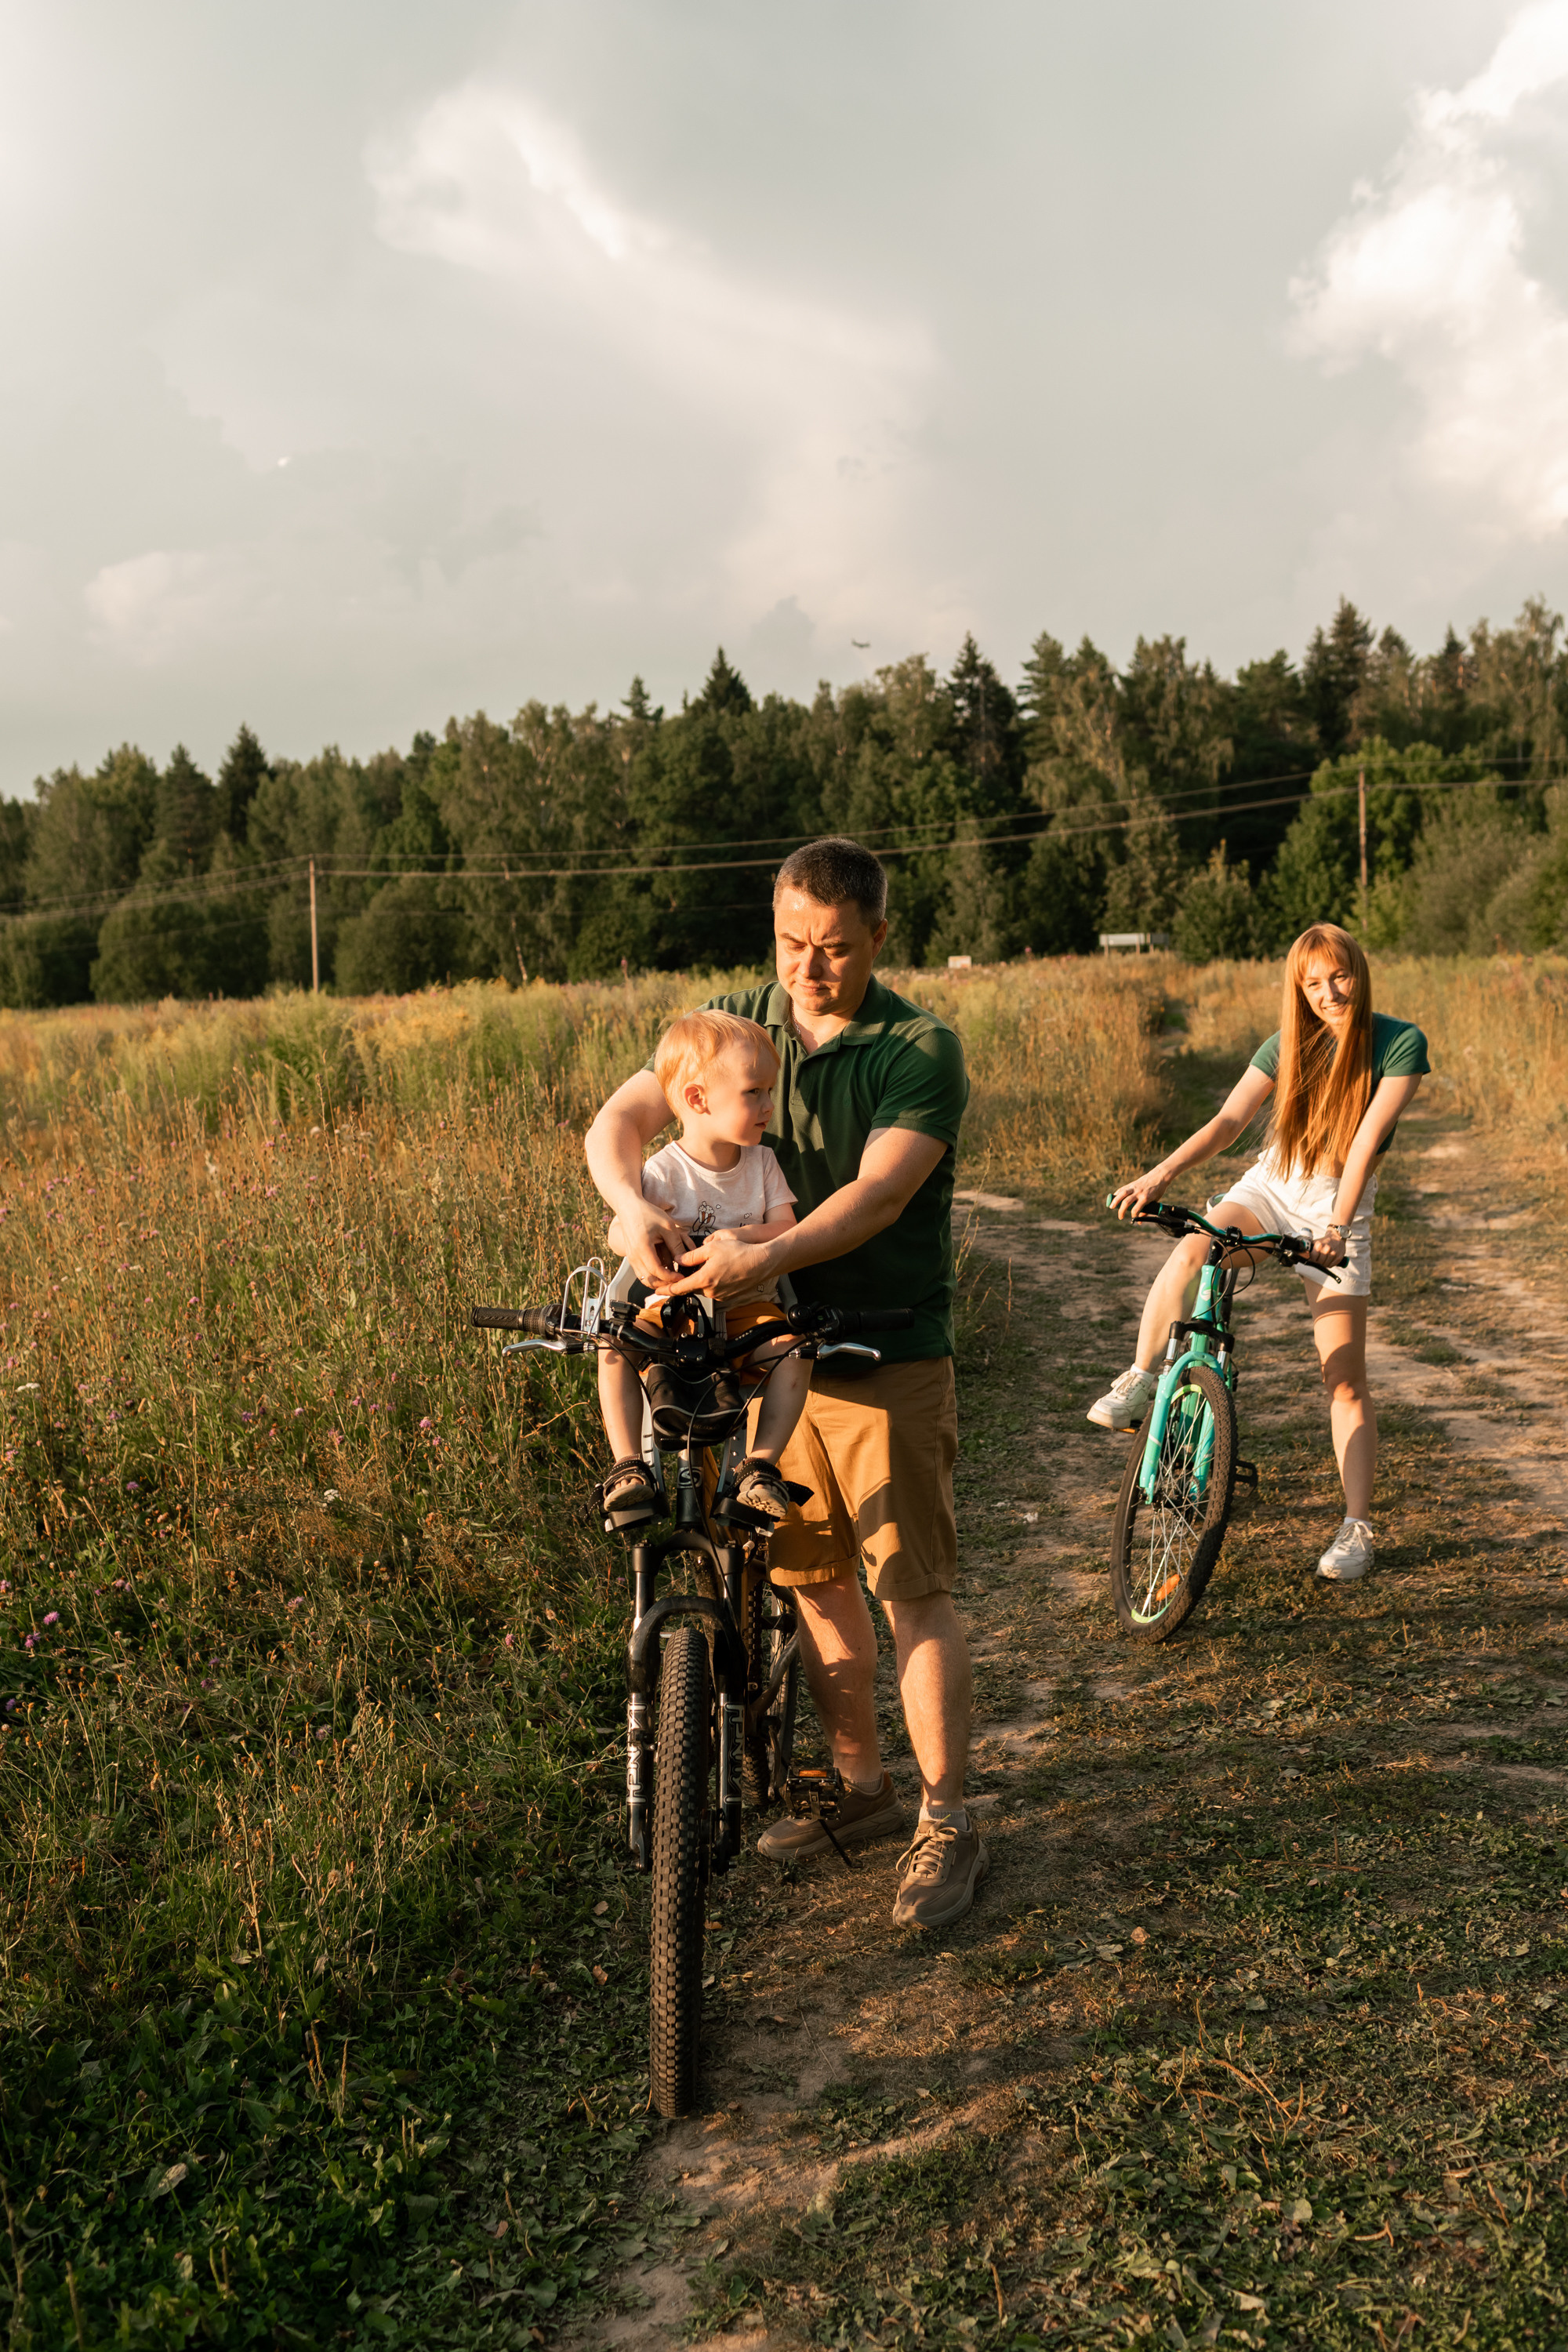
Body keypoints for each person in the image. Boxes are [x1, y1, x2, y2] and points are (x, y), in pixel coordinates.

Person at [585, 837, 984, 1931]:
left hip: (880, 1346)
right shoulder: (735, 1019)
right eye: (792, 942)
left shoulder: (919, 1046)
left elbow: (878, 1195)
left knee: (910, 1586)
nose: (808, 969)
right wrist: (630, 1207)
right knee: (810, 1581)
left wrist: (767, 1254)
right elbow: (621, 1122)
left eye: (836, 950)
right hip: (761, 1357)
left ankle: (948, 1820)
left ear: (879, 941)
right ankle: (860, 1793)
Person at [1089, 921, 1429, 1584]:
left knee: (1344, 1379)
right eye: (1313, 984)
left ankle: (1357, 1526)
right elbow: (1228, 1123)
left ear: (1358, 971)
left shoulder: (1399, 1043)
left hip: (1338, 1207)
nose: (1329, 993)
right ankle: (1142, 1377)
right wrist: (1157, 1176)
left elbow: (1363, 1144)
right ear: (1297, 992)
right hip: (1272, 1185)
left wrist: (1335, 1225)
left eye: (1340, 976)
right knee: (1195, 1252)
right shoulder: (1287, 1045)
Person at [595, 1010, 811, 1528]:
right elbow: (618, 1235)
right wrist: (644, 1230)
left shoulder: (760, 1165)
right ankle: (630, 1466)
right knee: (613, 1346)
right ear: (698, 1100)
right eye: (753, 1093)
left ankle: (759, 1468)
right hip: (673, 1311)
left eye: (769, 1091)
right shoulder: (665, 1172)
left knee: (796, 1350)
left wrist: (737, 1236)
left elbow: (785, 1228)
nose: (768, 1106)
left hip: (746, 1310)